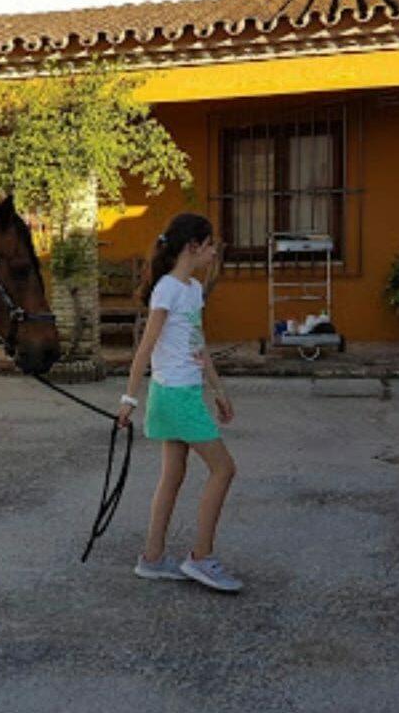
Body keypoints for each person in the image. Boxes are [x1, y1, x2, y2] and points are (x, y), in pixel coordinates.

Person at [116, 213, 242, 593]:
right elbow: (146, 347)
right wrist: (128, 398)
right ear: (193, 246)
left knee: (173, 476)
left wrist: (218, 391)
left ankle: (152, 559)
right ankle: (201, 558)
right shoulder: (168, 289)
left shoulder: (191, 289)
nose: (214, 250)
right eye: (210, 244)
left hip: (185, 392)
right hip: (173, 395)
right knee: (224, 470)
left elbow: (197, 344)